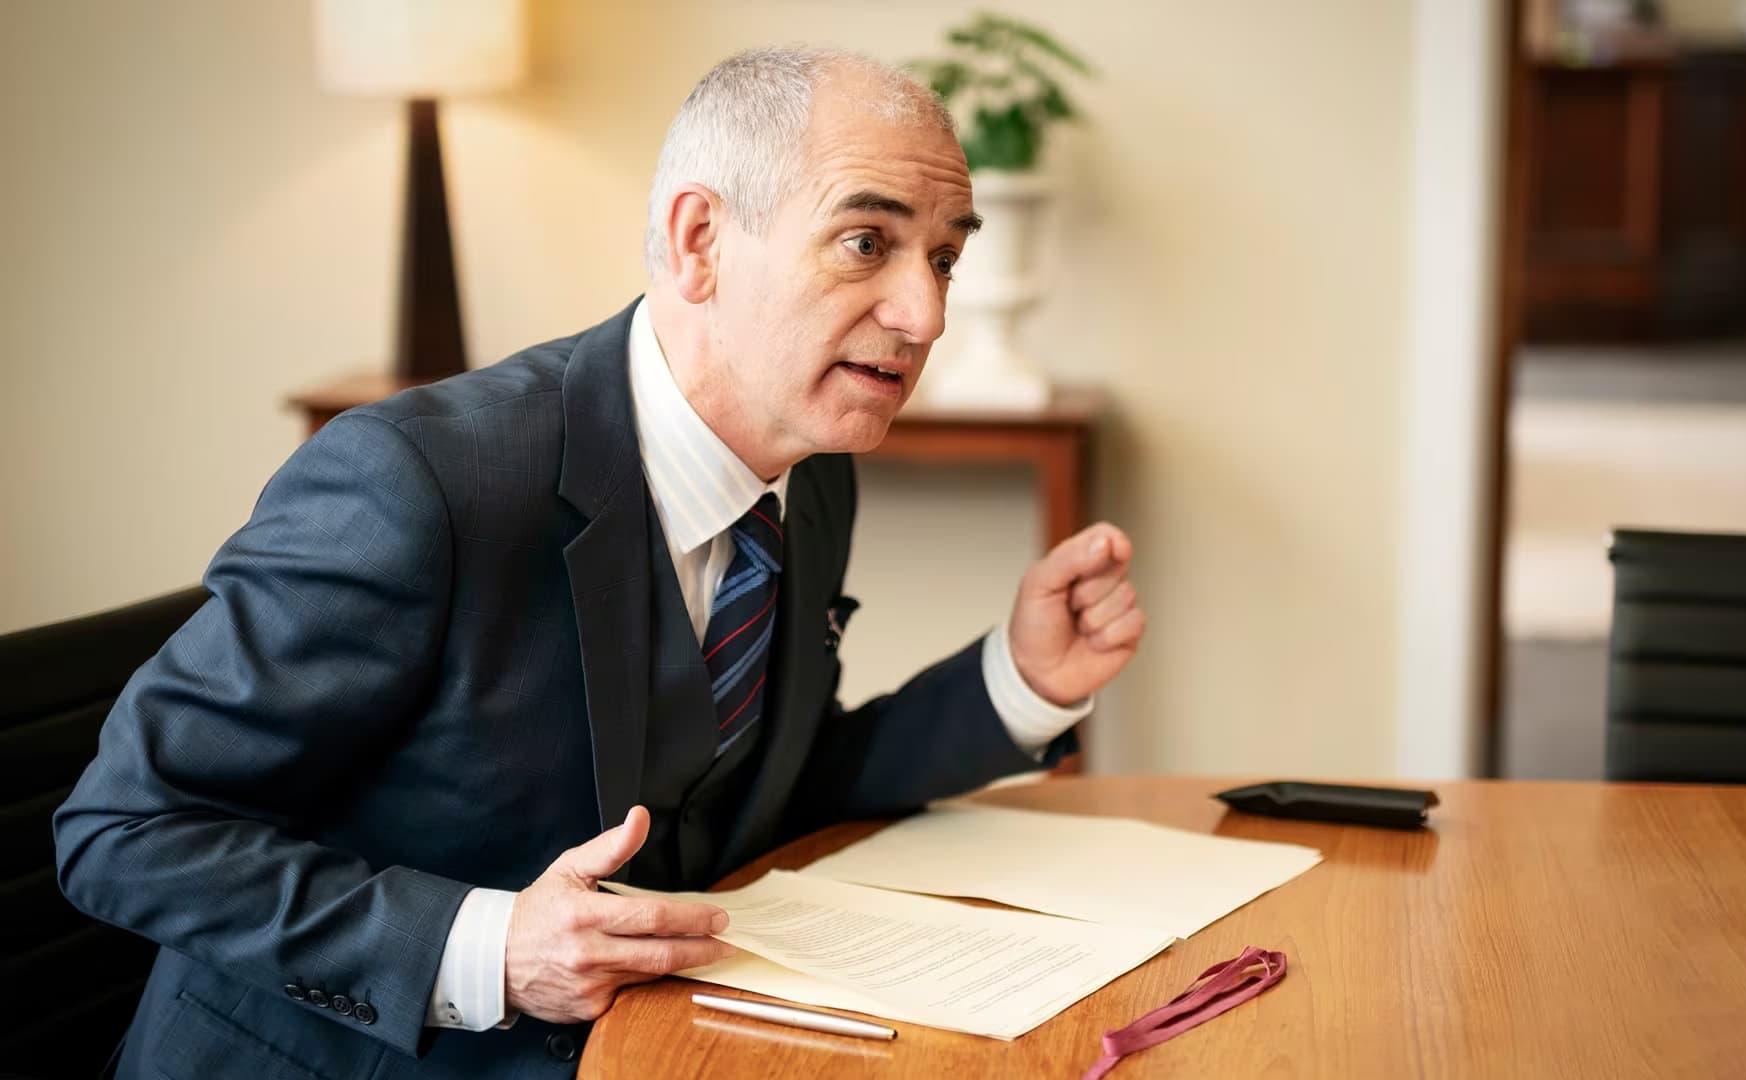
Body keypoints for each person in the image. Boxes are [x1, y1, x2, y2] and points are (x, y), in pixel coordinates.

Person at [53, 45, 1145, 1078]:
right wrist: (489, 949)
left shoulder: (812, 477)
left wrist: (1019, 680)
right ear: (699, 240)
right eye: (868, 243)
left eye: (945, 258)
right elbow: (125, 831)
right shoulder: (417, 483)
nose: (925, 313)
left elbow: (763, 789)